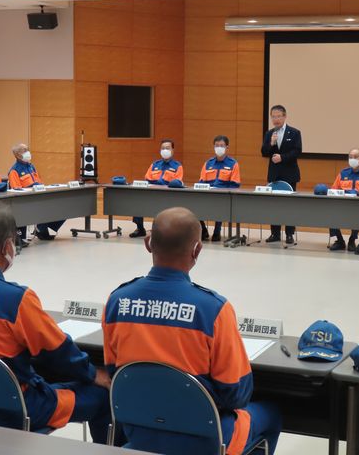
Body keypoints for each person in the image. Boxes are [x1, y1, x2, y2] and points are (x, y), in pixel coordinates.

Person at [103, 207, 281, 454]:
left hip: (139, 431)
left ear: (148, 243)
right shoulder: (214, 309)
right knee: (272, 413)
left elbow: (116, 373)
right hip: (207, 438)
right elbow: (235, 394)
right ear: (197, 249)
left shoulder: (117, 301)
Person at [0, 202, 113, 442]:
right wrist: (93, 373)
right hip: (16, 408)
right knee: (102, 396)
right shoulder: (16, 299)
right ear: (7, 246)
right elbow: (59, 352)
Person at [260, 105, 302, 245]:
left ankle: (289, 234)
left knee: (289, 205)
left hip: (290, 174)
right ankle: (275, 233)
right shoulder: (269, 133)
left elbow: (297, 151)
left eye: (278, 116)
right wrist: (271, 143)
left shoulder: (294, 132)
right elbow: (264, 152)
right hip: (274, 174)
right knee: (274, 205)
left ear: (284, 116)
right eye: (273, 117)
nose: (276, 119)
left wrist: (282, 157)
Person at [8, 143, 65, 242]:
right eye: (24, 151)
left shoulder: (31, 166)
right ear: (17, 155)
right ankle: (40, 229)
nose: (28, 153)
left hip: (39, 196)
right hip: (26, 200)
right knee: (46, 206)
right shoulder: (14, 171)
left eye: (27, 150)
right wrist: (32, 187)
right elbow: (16, 190)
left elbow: (39, 182)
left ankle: (42, 228)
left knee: (62, 205)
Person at [130, 139, 183, 238]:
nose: (165, 150)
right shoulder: (154, 164)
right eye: (163, 148)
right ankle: (140, 228)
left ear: (173, 150)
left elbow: (177, 182)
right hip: (152, 193)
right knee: (138, 200)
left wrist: (161, 184)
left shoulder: (178, 166)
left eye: (167, 148)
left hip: (168, 196)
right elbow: (147, 179)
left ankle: (160, 228)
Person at [199, 135, 241, 242]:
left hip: (223, 196)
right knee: (195, 205)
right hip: (208, 195)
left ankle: (217, 231)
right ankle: (203, 230)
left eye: (221, 146)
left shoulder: (233, 164)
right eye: (217, 145)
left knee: (220, 204)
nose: (219, 148)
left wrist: (223, 191)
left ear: (227, 147)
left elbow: (235, 184)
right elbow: (201, 182)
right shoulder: (208, 163)